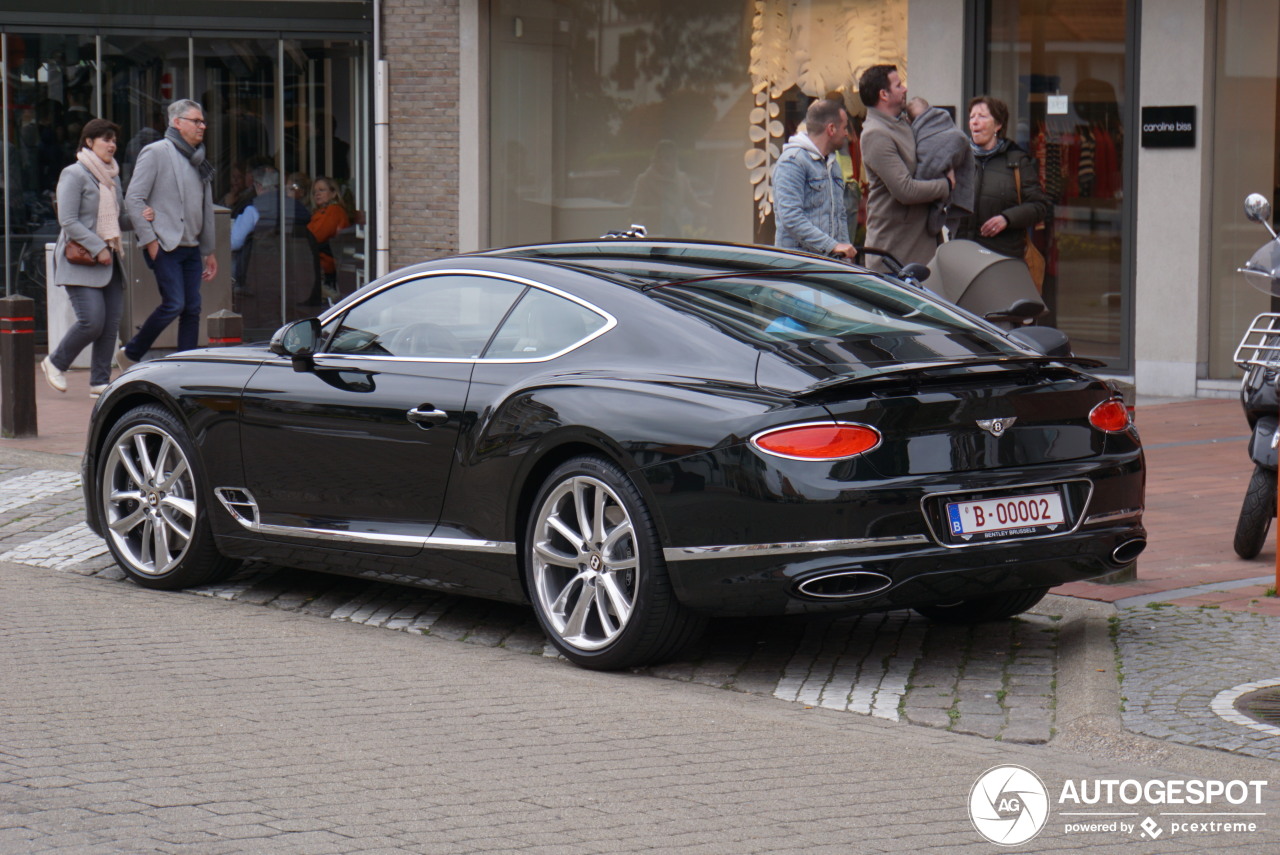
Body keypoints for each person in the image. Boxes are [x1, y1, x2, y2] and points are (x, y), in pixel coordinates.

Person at [41, 119, 153, 398]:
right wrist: (97, 247)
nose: (112, 144)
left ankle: (99, 382)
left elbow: (118, 220)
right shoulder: (74, 173)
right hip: (81, 260)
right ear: (88, 142)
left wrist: (141, 217)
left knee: (110, 324)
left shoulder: (112, 177)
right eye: (105, 139)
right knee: (92, 321)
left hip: (110, 262)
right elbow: (67, 220)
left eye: (114, 139)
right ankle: (55, 362)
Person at [120, 99, 216, 365]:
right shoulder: (156, 152)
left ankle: (184, 365)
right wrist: (150, 241)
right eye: (196, 121)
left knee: (192, 308)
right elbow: (134, 198)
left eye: (203, 121)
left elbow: (204, 207)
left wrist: (209, 250)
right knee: (174, 304)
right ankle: (131, 353)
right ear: (177, 122)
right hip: (165, 244)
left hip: (192, 246)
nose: (202, 126)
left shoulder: (198, 158)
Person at [858, 65, 952, 272]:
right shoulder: (875, 134)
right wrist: (946, 185)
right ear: (884, 94)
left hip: (919, 245)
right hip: (894, 252)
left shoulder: (903, 122)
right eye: (898, 85)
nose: (905, 89)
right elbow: (905, 190)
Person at [953, 95, 1052, 260]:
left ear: (998, 125)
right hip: (964, 257)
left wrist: (1007, 218)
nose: (974, 122)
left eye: (982, 116)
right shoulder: (959, 159)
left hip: (1002, 258)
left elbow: (1040, 206)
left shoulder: (1016, 161)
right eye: (971, 117)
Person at [772, 98, 855, 259]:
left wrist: (845, 258)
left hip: (826, 266)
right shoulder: (792, 161)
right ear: (831, 128)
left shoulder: (832, 163)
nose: (846, 133)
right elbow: (791, 217)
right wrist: (832, 246)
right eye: (844, 128)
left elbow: (840, 215)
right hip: (797, 268)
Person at [905, 97, 975, 239]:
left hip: (934, 198)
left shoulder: (952, 135)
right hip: (940, 192)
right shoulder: (953, 133)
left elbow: (922, 174)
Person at [305, 176, 351, 303]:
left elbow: (316, 236)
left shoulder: (333, 211)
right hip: (320, 259)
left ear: (334, 193)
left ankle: (327, 293)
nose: (317, 194)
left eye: (322, 190)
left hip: (324, 261)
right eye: (315, 192)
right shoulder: (322, 212)